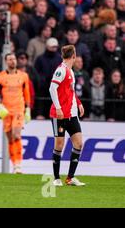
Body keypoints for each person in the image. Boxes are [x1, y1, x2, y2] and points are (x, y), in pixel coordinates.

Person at [49, 45, 86, 186]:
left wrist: (79, 103)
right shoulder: (61, 70)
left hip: (72, 114)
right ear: (74, 55)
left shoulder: (70, 71)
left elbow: (70, 92)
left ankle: (70, 178)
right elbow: (52, 88)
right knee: (59, 145)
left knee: (79, 143)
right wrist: (58, 108)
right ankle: (56, 178)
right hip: (59, 115)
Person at [0, 53, 31, 174]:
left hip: (18, 109)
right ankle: (15, 166)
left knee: (17, 134)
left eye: (14, 59)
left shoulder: (23, 76)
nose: (12, 61)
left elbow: (27, 93)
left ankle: (18, 165)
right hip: (6, 112)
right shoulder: (0, 77)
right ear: (6, 62)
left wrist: (28, 109)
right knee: (10, 139)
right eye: (9, 59)